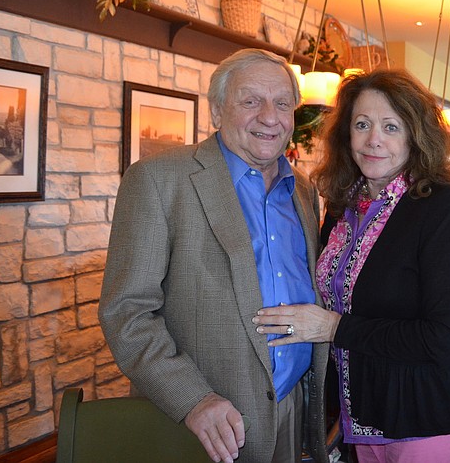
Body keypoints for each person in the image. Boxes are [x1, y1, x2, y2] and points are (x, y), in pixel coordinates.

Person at [99, 49, 329, 463]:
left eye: (282, 103)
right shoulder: (157, 179)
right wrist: (194, 400)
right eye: (250, 101)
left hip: (293, 409)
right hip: (206, 424)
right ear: (217, 110)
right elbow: (126, 312)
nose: (269, 116)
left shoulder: (305, 191)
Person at [253, 69, 450, 462]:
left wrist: (334, 328)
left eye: (391, 127)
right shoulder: (344, 206)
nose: (374, 139)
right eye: (362, 125)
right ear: (347, 135)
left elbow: (448, 338)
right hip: (357, 416)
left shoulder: (443, 210)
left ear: (414, 136)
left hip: (423, 420)